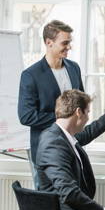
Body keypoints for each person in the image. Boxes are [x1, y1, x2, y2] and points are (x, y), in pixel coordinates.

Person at [36, 86, 105, 210]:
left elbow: (89, 132)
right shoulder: (54, 143)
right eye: (87, 112)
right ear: (78, 112)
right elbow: (68, 193)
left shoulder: (63, 136)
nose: (88, 118)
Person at [18, 20, 84, 189]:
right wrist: (61, 121)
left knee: (73, 198)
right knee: (47, 202)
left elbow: (81, 103)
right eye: (65, 43)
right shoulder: (31, 75)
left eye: (70, 42)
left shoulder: (74, 68)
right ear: (49, 43)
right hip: (45, 149)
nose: (69, 47)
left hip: (73, 147)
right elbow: (26, 116)